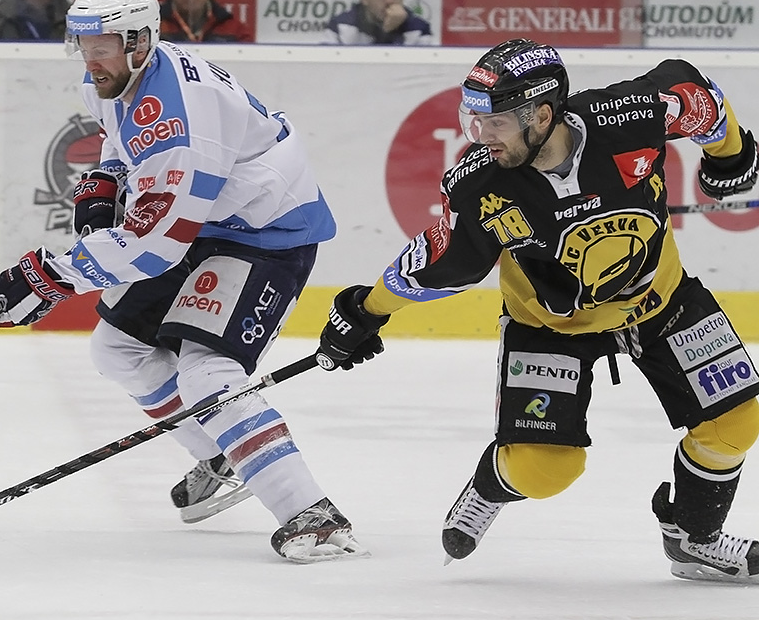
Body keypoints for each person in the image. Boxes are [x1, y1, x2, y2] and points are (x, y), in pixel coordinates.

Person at [315, 38, 759, 582]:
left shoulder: (629, 117)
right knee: (545, 471)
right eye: (475, 121)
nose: (481, 136)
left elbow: (696, 93)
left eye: (496, 122)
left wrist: (731, 155)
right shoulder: (483, 186)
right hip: (549, 328)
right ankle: (491, 484)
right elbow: (438, 261)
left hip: (661, 303)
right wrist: (365, 311)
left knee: (737, 420)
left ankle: (694, 539)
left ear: (543, 115)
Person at [0, 0, 366, 564]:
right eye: (82, 44)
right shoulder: (115, 77)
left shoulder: (180, 124)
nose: (90, 59)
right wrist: (106, 177)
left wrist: (50, 277)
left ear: (140, 41)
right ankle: (220, 452)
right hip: (203, 221)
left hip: (264, 234)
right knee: (116, 349)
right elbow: (122, 139)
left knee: (208, 373)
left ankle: (311, 514)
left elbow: (154, 244)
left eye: (102, 45)